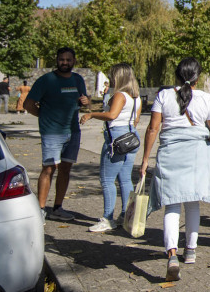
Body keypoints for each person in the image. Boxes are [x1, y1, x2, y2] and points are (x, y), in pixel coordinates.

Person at [140, 58, 210, 282]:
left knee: (172, 204)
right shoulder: (206, 98)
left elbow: (153, 128)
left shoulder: (163, 96)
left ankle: (171, 254)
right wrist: (206, 141)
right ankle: (190, 251)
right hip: (196, 155)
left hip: (170, 154)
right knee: (193, 202)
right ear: (197, 77)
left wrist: (145, 159)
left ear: (176, 75)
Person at [24, 47, 90, 222]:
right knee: (49, 168)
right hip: (52, 132)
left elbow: (84, 101)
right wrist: (44, 116)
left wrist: (86, 101)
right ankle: (40, 209)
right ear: (57, 60)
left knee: (66, 169)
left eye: (68, 60)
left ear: (74, 61)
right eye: (62, 59)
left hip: (73, 131)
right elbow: (28, 104)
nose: (65, 63)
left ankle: (58, 208)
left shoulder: (78, 79)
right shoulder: (47, 80)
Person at [79, 63, 142, 232]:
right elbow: (135, 119)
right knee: (125, 178)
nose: (110, 78)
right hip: (131, 136)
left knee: (107, 180)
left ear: (118, 77)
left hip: (117, 137)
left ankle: (107, 218)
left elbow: (112, 115)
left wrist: (91, 114)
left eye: (112, 75)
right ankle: (125, 214)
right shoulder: (135, 97)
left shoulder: (120, 95)